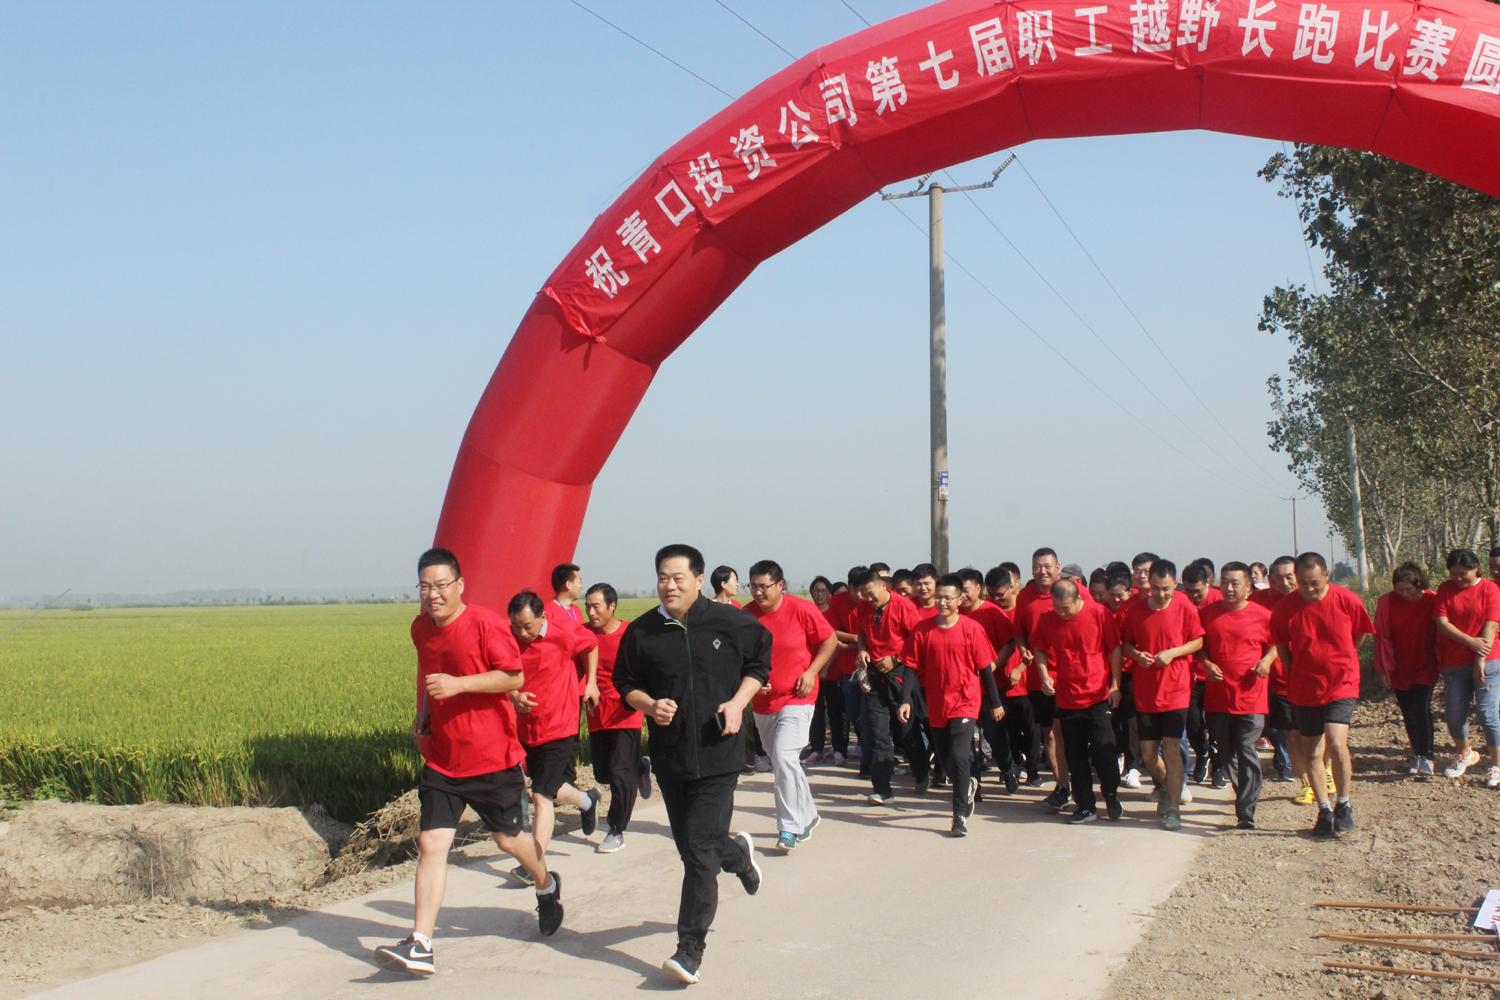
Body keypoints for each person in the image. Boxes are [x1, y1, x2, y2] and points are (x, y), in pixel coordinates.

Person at [375, 549, 561, 975]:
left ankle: (546, 884)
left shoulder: (486, 624)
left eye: (441, 585)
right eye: (425, 587)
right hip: (443, 760)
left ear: (459, 585)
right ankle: (421, 943)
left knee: (509, 842)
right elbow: (431, 674)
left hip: (492, 759)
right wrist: (427, 711)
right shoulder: (421, 628)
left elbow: (513, 676)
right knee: (431, 845)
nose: (433, 594)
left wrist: (459, 686)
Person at [613, 544, 771, 985]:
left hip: (720, 752)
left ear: (700, 580)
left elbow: (759, 662)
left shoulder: (731, 621)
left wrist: (739, 701)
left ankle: (689, 950)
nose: (669, 585)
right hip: (672, 756)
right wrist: (649, 705)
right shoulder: (642, 632)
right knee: (695, 847)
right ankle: (738, 856)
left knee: (699, 852)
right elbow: (624, 683)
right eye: (663, 577)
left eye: (678, 577)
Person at [1269, 552, 1374, 837]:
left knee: (1337, 744)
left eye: (1314, 583)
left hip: (1342, 682)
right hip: (1304, 687)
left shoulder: (1347, 600)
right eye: (1303, 583)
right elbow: (1281, 643)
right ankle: (1324, 809)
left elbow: (1360, 633)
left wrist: (1344, 657)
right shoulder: (1286, 607)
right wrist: (1292, 671)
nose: (1309, 589)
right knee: (1313, 750)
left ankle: (1344, 803)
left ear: (1326, 576)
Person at [744, 560, 838, 851]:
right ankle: (809, 815)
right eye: (753, 586)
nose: (758, 592)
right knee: (784, 763)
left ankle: (788, 827)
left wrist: (812, 671)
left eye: (764, 586)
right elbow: (739, 656)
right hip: (763, 702)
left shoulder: (801, 609)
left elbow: (830, 640)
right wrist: (751, 680)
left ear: (780, 585)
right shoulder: (746, 616)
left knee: (785, 757)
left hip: (798, 697)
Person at [899, 574, 1002, 835]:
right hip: (936, 702)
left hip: (965, 701)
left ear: (960, 599)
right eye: (939, 598)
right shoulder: (923, 630)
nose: (942, 602)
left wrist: (995, 703)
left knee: (959, 756)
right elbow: (910, 666)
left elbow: (985, 669)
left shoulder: (972, 629)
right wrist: (905, 700)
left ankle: (959, 816)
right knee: (946, 762)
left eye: (947, 598)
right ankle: (966, 784)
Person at [509, 591, 602, 879]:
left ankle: (533, 865)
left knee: (541, 796)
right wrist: (514, 695)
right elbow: (499, 672)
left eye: (528, 626)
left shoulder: (564, 633)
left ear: (543, 617)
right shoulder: (509, 638)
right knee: (552, 788)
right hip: (526, 727)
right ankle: (588, 800)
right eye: (516, 626)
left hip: (560, 724)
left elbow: (591, 644)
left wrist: (591, 683)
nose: (522, 633)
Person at [1120, 559, 1204, 831]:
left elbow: (1198, 640)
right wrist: (1137, 655)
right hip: (1146, 691)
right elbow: (1126, 643)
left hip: (1176, 690)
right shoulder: (1135, 610)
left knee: (1171, 749)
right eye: (1156, 588)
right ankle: (1168, 788)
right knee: (1147, 754)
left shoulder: (1184, 606)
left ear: (1175, 583)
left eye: (1166, 588)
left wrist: (1173, 653)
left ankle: (1174, 809)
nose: (1161, 593)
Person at [1030, 578, 1124, 824]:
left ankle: (1111, 796)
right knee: (1075, 755)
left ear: (1078, 599)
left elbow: (1115, 649)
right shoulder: (1048, 618)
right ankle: (1085, 806)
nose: (1061, 612)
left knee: (1104, 751)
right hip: (1067, 698)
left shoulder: (1099, 614)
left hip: (1097, 696)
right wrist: (1044, 676)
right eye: (1056, 607)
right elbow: (1039, 648)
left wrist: (1115, 684)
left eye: (1066, 608)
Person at [1199, 562, 1277, 829]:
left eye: (1235, 583)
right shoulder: (1207, 614)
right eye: (1225, 582)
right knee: (1227, 752)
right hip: (1218, 697)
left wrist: (1266, 661)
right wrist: (1206, 664)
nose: (1229, 588)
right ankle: (1243, 795)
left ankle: (1246, 811)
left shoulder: (1263, 615)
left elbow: (1275, 645)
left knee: (1246, 748)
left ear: (1248, 587)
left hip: (1251, 696)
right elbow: (1198, 645)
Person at [851, 566, 929, 804]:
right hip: (875, 676)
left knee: (906, 730)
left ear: (883, 586)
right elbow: (861, 633)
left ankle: (921, 771)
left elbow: (919, 641)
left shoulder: (905, 607)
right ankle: (883, 790)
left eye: (872, 593)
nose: (869, 598)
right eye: (864, 594)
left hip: (901, 673)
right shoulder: (863, 607)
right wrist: (862, 650)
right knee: (878, 733)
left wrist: (895, 659)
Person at [584, 583, 651, 854]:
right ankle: (640, 768)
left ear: (612, 606)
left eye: (596, 606)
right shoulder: (583, 634)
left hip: (626, 710)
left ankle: (616, 829)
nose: (590, 612)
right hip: (596, 711)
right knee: (603, 773)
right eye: (587, 606)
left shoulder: (631, 633)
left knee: (619, 772)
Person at [1433, 548, 1500, 787]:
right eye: (1454, 574)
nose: (1458, 578)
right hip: (1455, 661)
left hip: (1489, 659)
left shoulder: (1489, 589)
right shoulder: (1445, 589)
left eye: (1463, 573)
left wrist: (1480, 657)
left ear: (1476, 568)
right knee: (1454, 716)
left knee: (1487, 715)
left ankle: (1496, 765)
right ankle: (1465, 753)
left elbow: (1491, 624)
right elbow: (1442, 623)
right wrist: (1469, 641)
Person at [1013, 548, 1070, 807]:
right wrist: (1022, 648)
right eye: (1037, 567)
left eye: (1047, 566)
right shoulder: (1024, 596)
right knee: (1049, 733)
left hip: (1070, 676)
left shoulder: (1073, 591)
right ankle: (1062, 786)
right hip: (1040, 678)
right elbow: (1019, 632)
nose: (1042, 571)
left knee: (1066, 733)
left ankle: (1075, 784)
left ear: (1058, 567)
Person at [1373, 562, 1440, 778]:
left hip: (1426, 663)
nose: (1404, 594)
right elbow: (1380, 636)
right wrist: (1382, 668)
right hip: (1398, 665)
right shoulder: (1386, 601)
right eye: (1399, 589)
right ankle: (1417, 754)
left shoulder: (1433, 600)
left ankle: (1428, 756)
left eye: (1408, 589)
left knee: (1421, 707)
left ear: (1419, 584)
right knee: (1408, 711)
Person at [957, 566, 1019, 794]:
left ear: (979, 588)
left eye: (966, 590)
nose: (962, 596)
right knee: (964, 740)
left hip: (990, 687)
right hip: (961, 690)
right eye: (959, 591)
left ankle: (1008, 769)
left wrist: (991, 666)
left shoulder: (993, 612)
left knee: (995, 736)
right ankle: (973, 784)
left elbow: (1009, 644)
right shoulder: (953, 615)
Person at [1252, 555, 1300, 784]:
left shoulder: (1310, 599)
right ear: (1270, 579)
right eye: (1279, 578)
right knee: (1279, 725)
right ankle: (1286, 764)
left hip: (1303, 673)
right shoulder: (1259, 602)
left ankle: (1313, 765)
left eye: (1289, 577)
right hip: (1269, 674)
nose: (1284, 583)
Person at [986, 564, 1035, 787]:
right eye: (991, 595)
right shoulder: (988, 611)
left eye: (1000, 594)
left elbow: (1035, 645)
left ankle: (1033, 770)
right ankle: (1014, 764)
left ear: (1013, 587)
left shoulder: (1025, 611)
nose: (996, 599)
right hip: (1000, 683)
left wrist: (1020, 668)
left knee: (1031, 730)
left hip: (1025, 682)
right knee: (1007, 730)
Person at [1102, 570, 1144, 788]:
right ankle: (1118, 754)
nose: (1116, 599)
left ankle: (1133, 766)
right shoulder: (1102, 612)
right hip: (1107, 672)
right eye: (1112, 595)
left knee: (1131, 721)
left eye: (1121, 595)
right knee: (1111, 718)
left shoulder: (1135, 608)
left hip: (1131, 672)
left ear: (1130, 592)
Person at [1181, 560, 1221, 785]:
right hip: (1191, 674)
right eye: (1189, 591)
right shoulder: (1181, 602)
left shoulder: (1219, 601)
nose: (1194, 596)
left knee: (1217, 724)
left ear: (1208, 583)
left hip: (1216, 674)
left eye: (1198, 591)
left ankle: (1219, 765)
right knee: (1193, 722)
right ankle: (1202, 753)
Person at [805, 575, 848, 766]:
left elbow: (835, 643)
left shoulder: (834, 614)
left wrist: (825, 667)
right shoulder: (808, 612)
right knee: (815, 712)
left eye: (823, 591)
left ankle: (839, 749)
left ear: (830, 593)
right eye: (816, 590)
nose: (820, 594)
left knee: (836, 711)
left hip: (832, 670)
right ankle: (816, 749)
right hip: (811, 670)